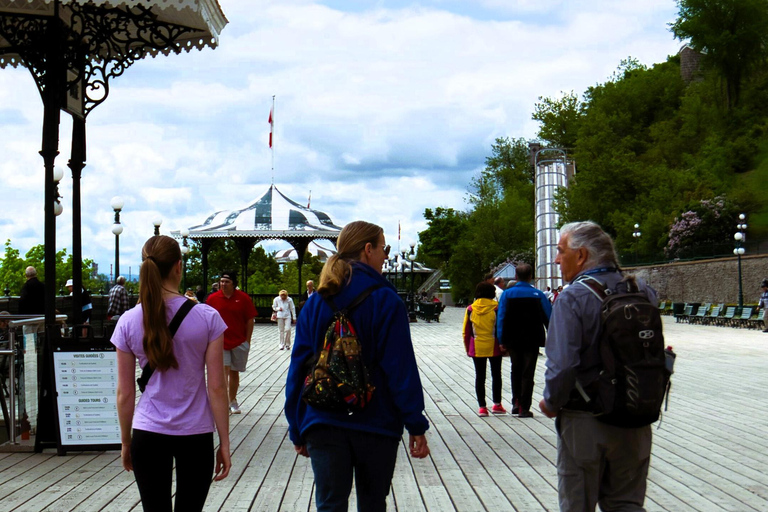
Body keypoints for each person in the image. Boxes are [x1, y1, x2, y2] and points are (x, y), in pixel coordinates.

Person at [285, 220, 430, 512]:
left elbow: (299, 367)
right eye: (383, 248)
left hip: (322, 419)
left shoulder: (316, 301)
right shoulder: (386, 300)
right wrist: (415, 423)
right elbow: (400, 368)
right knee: (373, 503)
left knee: (329, 504)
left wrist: (297, 424)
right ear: (368, 250)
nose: (385, 256)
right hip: (377, 422)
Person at [539, 221, 657, 512]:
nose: (556, 259)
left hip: (585, 419)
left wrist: (552, 402)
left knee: (577, 504)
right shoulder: (642, 291)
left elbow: (563, 366)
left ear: (580, 256)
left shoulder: (572, 297)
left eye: (560, 251)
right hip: (636, 415)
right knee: (627, 504)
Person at [111, 235, 231, 511]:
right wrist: (224, 442)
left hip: (148, 430)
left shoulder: (129, 321)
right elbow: (216, 388)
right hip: (196, 433)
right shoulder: (207, 317)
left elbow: (125, 392)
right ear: (179, 267)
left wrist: (126, 441)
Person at [496, 263, 551, 418]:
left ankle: (515, 402)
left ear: (515, 277)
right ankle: (525, 407)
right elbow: (549, 318)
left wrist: (501, 339)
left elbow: (501, 318)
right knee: (528, 373)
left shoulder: (507, 294)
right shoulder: (539, 295)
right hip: (533, 339)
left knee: (515, 370)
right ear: (530, 276)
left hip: (512, 339)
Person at [206, 270, 257, 415]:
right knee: (224, 371)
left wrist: (247, 341)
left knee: (235, 372)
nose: (223, 284)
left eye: (226, 282)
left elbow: (249, 320)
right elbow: (207, 319)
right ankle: (222, 402)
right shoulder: (213, 299)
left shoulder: (243, 298)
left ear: (234, 283)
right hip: (220, 341)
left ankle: (232, 400)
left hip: (239, 341)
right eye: (221, 281)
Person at [463, 282, 505, 416]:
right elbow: (500, 327)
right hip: (494, 345)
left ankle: (482, 407)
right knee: (496, 375)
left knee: (480, 376)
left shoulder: (470, 309)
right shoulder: (496, 308)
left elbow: (466, 331)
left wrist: (467, 347)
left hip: (477, 346)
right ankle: (497, 404)